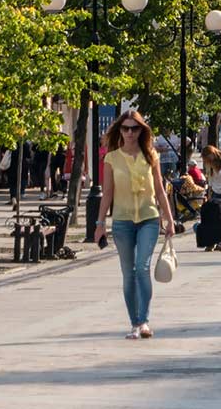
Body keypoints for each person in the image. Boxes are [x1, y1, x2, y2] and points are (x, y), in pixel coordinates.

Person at [98, 109, 174, 339]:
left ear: (142, 130)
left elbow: (160, 189)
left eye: (135, 128)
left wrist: (169, 219)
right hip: (122, 221)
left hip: (149, 218)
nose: (130, 133)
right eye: (126, 128)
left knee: (142, 268)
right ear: (120, 130)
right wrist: (99, 223)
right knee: (128, 273)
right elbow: (107, 193)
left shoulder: (151, 155)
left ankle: (144, 322)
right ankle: (134, 323)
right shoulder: (111, 158)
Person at [194, 144, 221, 251]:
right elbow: (210, 178)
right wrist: (209, 191)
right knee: (214, 218)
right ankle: (214, 241)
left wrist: (216, 168)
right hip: (216, 191)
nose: (207, 161)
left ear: (213, 154)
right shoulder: (209, 164)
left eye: (208, 158)